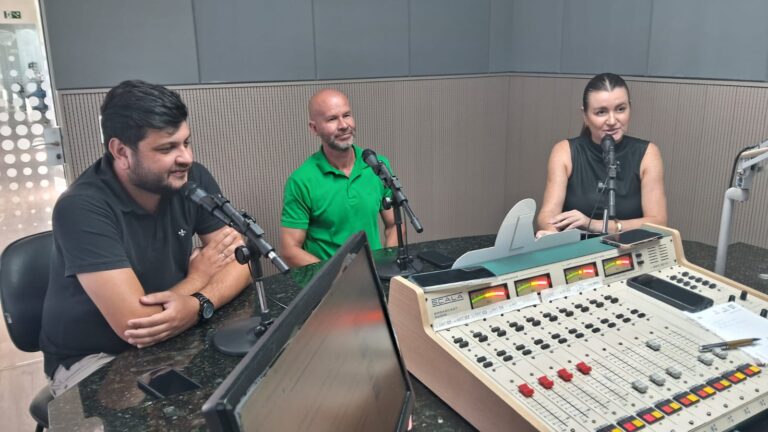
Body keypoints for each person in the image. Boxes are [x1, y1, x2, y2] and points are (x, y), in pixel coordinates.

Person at [39, 80, 252, 396]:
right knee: (172, 410)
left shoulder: (190, 178)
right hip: (97, 357)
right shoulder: (81, 207)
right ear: (121, 152)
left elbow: (242, 262)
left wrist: (199, 303)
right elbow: (136, 326)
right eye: (167, 148)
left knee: (249, 385)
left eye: (186, 142)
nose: (185, 157)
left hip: (177, 329)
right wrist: (199, 278)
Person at [537, 73, 667, 237]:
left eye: (620, 109)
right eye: (601, 112)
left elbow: (658, 223)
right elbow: (547, 215)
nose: (612, 120)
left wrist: (593, 224)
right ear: (585, 116)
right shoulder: (564, 151)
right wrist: (552, 234)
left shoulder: (648, 153)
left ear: (630, 108)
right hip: (577, 248)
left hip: (627, 248)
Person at [279, 89, 397, 267]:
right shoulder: (301, 181)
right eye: (332, 119)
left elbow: (394, 224)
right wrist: (340, 276)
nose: (343, 125)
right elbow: (290, 250)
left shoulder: (377, 165)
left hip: (377, 274)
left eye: (347, 115)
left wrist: (386, 263)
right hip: (331, 280)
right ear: (314, 128)